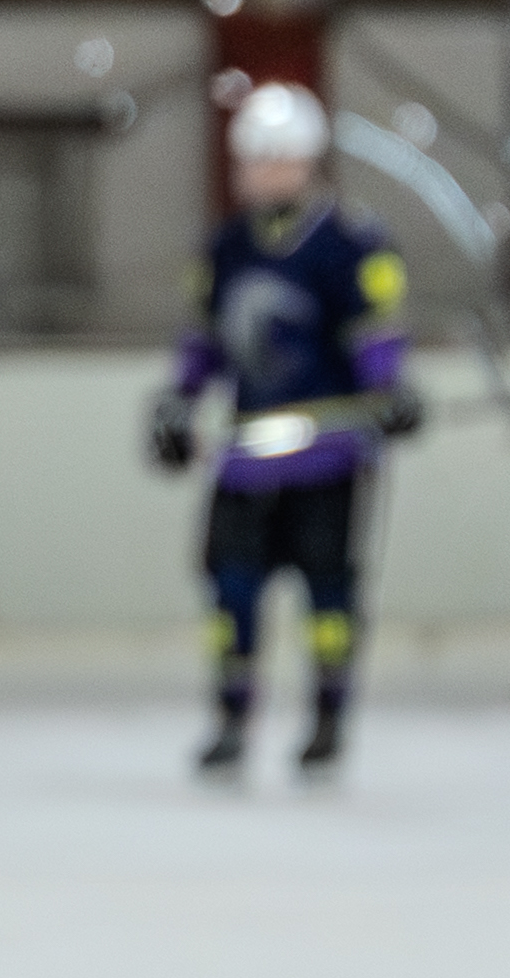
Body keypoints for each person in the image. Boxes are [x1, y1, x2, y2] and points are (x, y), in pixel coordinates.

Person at [144, 78, 412, 779]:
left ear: (308, 160)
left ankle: (328, 717)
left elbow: (375, 333)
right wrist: (178, 400)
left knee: (328, 595)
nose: (265, 172)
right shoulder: (226, 246)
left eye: (279, 158)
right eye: (255, 159)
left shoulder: (349, 244)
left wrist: (389, 388)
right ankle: (231, 718)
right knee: (230, 590)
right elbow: (204, 340)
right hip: (244, 457)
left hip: (327, 456)